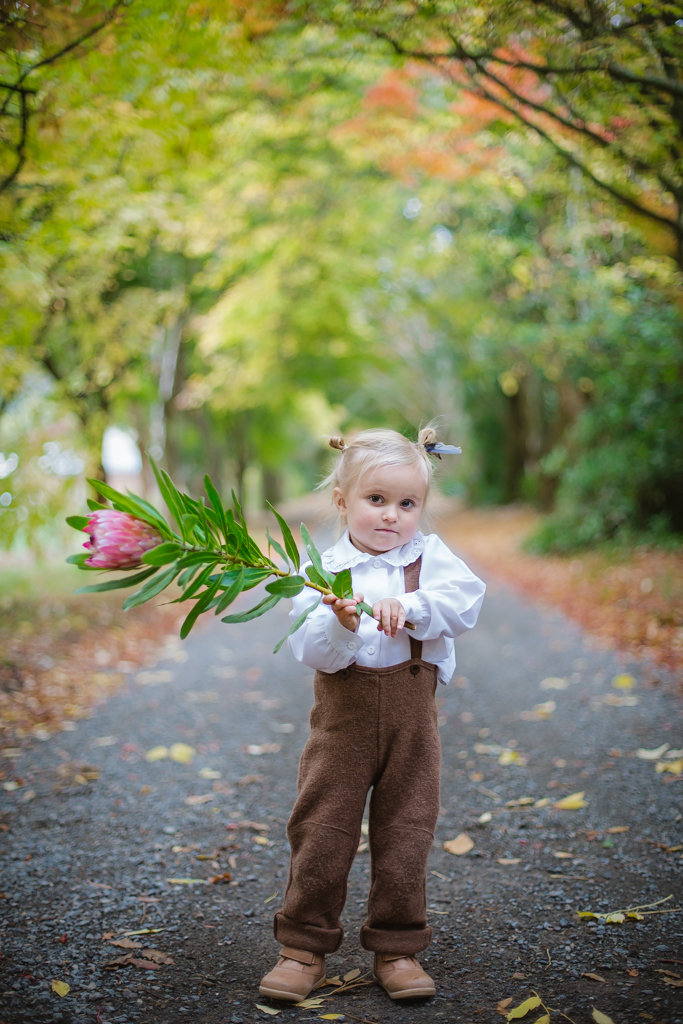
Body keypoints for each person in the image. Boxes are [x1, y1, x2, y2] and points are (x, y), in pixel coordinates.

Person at [259, 427, 486, 1003]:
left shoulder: (428, 559)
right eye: (376, 500)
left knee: (407, 829)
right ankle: (303, 945)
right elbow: (310, 650)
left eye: (407, 504)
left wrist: (408, 606)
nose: (392, 516)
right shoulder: (321, 571)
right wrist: (341, 621)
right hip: (343, 724)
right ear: (342, 501)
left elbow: (465, 600)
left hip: (413, 725)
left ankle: (398, 946)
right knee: (322, 827)